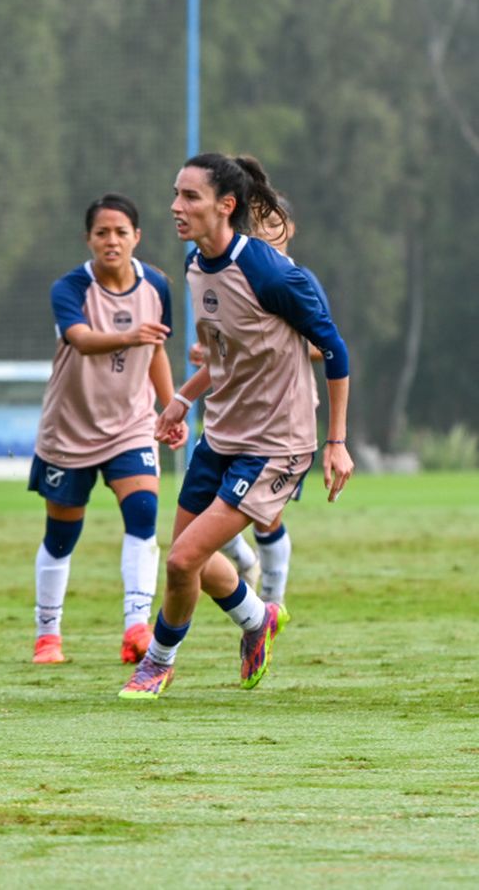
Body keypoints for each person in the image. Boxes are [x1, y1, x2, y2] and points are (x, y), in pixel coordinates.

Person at [120, 153, 352, 700]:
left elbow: (336, 350)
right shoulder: (195, 265)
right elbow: (226, 356)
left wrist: (336, 443)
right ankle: (257, 619)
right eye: (176, 194)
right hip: (221, 435)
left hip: (275, 446)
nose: (176, 206)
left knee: (180, 561)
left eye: (190, 197)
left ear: (227, 206)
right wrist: (180, 399)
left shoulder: (271, 272)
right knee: (188, 561)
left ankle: (157, 662)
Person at [27, 194, 174, 667]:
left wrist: (170, 409)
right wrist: (130, 336)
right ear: (89, 239)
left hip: (131, 424)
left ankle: (136, 627)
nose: (112, 241)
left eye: (120, 232)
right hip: (70, 430)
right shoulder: (70, 288)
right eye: (102, 233)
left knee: (144, 511)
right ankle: (47, 635)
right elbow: (81, 340)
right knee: (62, 535)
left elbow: (159, 350)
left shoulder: (157, 285)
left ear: (137, 236)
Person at [195, 196, 325, 607]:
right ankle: (244, 561)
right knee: (212, 513)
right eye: (258, 223)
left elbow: (326, 346)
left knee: (267, 517)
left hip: (284, 416)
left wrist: (267, 349)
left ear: (289, 228)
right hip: (233, 414)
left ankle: (272, 599)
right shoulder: (235, 274)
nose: (265, 230)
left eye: (274, 222)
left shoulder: (295, 278)